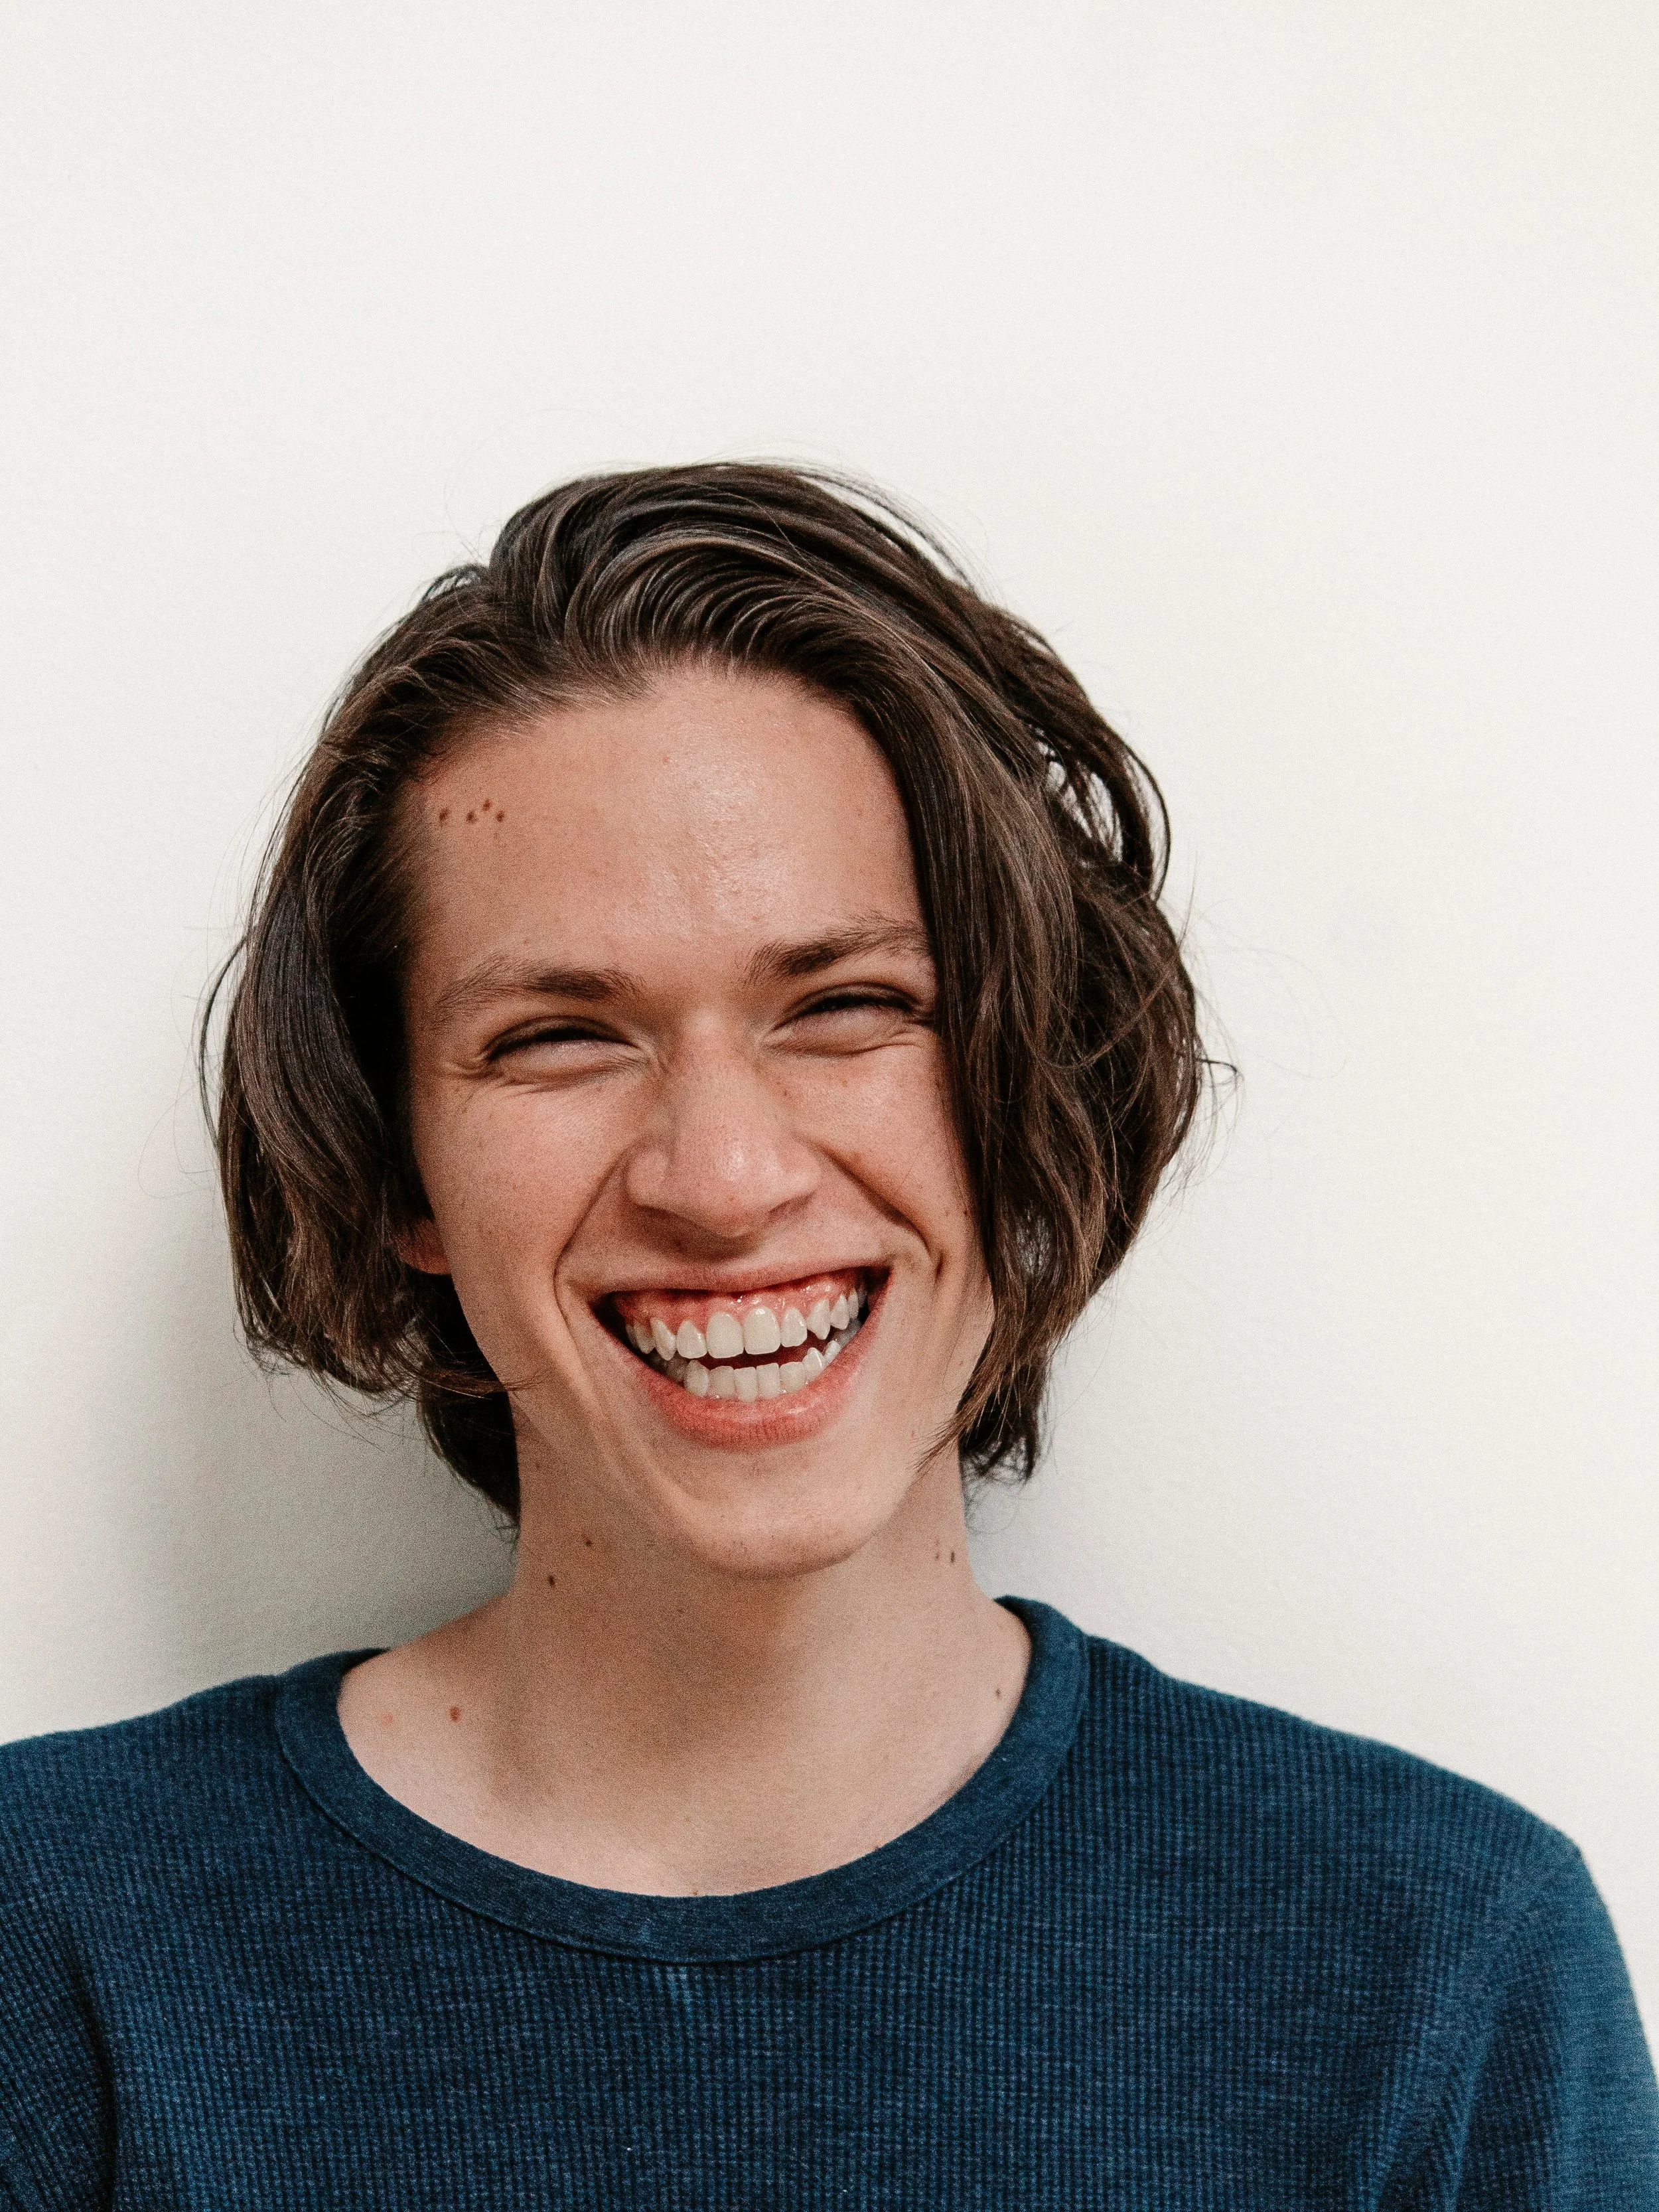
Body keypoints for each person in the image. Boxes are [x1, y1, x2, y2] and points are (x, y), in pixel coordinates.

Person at [0, 465, 1652, 2209]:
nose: (721, 1177)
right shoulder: (61, 1946)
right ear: (402, 1167)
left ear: (1030, 1080)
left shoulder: (1432, 1970)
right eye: (562, 1036)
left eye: (849, 1008)